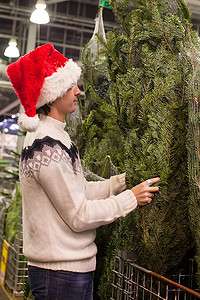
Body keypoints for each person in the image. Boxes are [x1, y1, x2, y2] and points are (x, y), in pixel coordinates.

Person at [7, 43, 160, 300]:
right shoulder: (46, 147)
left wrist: (119, 183)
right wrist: (130, 198)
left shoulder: (58, 138)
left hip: (69, 272)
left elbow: (78, 192)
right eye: (70, 86)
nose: (78, 91)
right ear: (52, 94)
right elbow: (79, 215)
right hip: (60, 275)